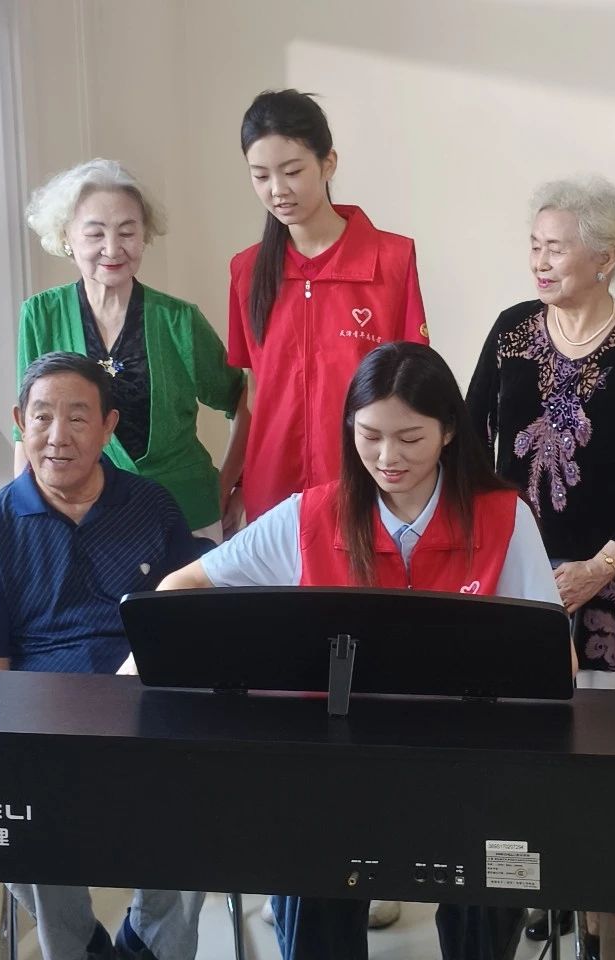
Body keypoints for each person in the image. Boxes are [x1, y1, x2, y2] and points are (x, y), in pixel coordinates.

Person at [135, 342, 567, 960]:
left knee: (491, 880)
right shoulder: (310, 516)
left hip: (466, 765)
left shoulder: (502, 518)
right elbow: (182, 588)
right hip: (336, 769)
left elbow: (555, 661)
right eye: (369, 436)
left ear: (449, 431)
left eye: (410, 438)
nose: (388, 458)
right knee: (314, 881)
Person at [466, 175, 615, 960]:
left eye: (555, 248)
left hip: (613, 582)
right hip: (519, 575)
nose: (539, 261)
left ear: (606, 257)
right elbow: (469, 437)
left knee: (608, 761)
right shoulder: (511, 331)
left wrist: (601, 565)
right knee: (525, 752)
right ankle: (541, 892)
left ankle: (603, 915)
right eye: (534, 245)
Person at [0, 353, 208, 960]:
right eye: (42, 417)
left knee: (201, 807)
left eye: (77, 418)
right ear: (21, 422)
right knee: (22, 821)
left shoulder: (152, 506)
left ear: (108, 426)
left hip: (146, 719)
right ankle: (84, 949)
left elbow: (193, 627)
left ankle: (146, 946)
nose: (57, 437)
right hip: (45, 733)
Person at [225, 89, 429, 532]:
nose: (277, 190)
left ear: (328, 163)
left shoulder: (391, 261)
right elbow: (253, 393)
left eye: (292, 171)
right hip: (272, 494)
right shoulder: (246, 271)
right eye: (260, 176)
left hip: (364, 489)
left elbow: (414, 394)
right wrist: (231, 483)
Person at [18, 158, 243, 541]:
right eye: (95, 234)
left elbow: (242, 397)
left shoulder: (178, 320)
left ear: (144, 235)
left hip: (185, 514)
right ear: (66, 237)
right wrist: (24, 518)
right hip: (80, 518)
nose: (112, 248)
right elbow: (26, 427)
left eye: (127, 232)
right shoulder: (41, 315)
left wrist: (229, 484)